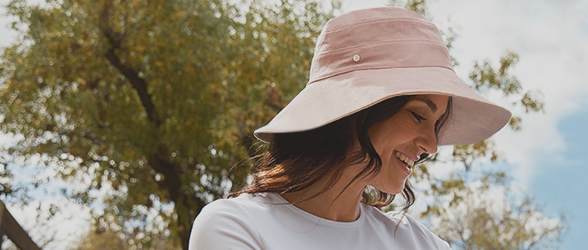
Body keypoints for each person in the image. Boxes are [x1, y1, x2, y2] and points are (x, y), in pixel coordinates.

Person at [188, 6, 511, 250]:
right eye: (417, 115)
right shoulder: (236, 225)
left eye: (437, 123)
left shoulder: (421, 243)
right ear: (356, 113)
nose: (431, 144)